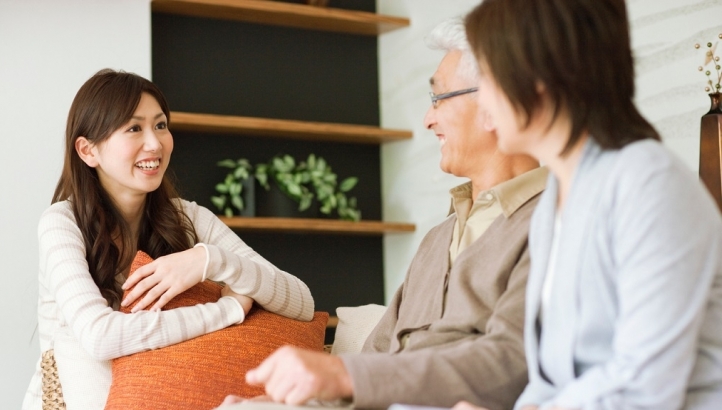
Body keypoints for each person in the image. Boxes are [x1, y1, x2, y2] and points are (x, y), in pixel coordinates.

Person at [228, 18, 548, 410]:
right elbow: (375, 354)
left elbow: (511, 363)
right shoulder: (439, 237)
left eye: (439, 99)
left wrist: (347, 378)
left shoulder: (553, 222)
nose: (428, 120)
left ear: (494, 102)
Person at [461, 0, 722, 409]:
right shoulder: (555, 205)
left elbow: (644, 388)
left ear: (539, 76)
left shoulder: (651, 185)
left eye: (489, 77)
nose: (482, 102)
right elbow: (551, 381)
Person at [22, 69, 315, 410]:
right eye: (134, 128)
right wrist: (229, 309)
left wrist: (209, 260)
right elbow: (100, 336)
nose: (155, 143)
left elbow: (302, 302)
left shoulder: (188, 217)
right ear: (88, 151)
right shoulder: (61, 223)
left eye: (160, 125)